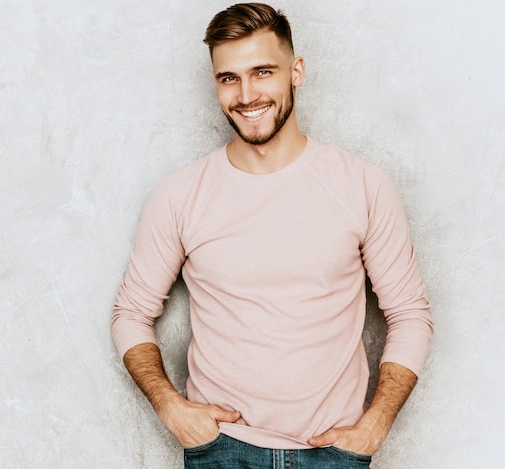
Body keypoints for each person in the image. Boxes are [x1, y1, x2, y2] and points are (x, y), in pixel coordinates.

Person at [111, 3, 433, 468]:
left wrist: (374, 425)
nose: (246, 94)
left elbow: (409, 313)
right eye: (229, 78)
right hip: (221, 449)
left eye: (262, 72)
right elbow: (130, 312)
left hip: (335, 454)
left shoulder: (362, 185)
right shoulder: (180, 195)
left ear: (296, 71)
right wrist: (171, 407)